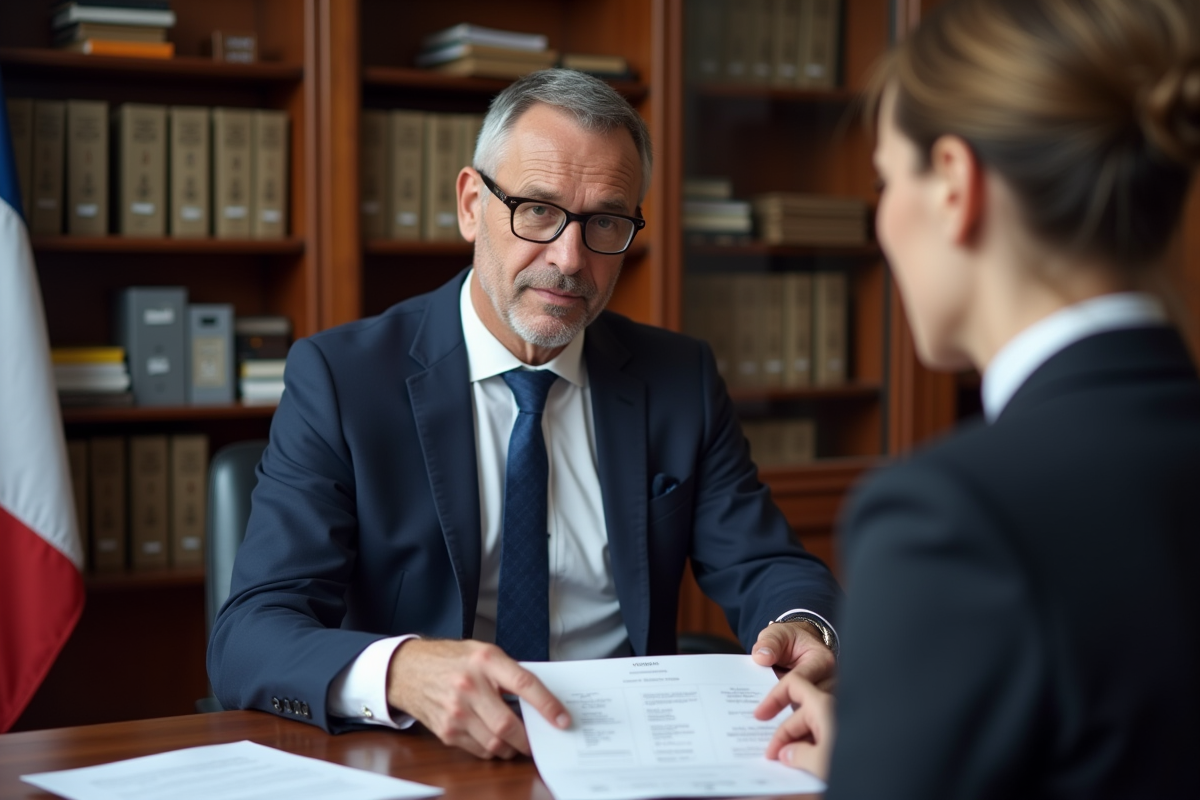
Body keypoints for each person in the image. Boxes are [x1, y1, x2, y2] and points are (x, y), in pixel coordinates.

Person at [208, 68, 841, 761]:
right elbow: (252, 635)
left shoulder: (676, 378)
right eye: (537, 210)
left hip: (624, 757)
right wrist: (402, 669)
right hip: (428, 757)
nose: (570, 260)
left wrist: (805, 627)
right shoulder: (343, 379)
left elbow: (766, 563)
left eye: (606, 222)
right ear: (471, 204)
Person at [754, 0, 1200, 796]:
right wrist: (880, 751)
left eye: (886, 179)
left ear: (956, 185)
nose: (880, 221)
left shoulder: (948, 517)